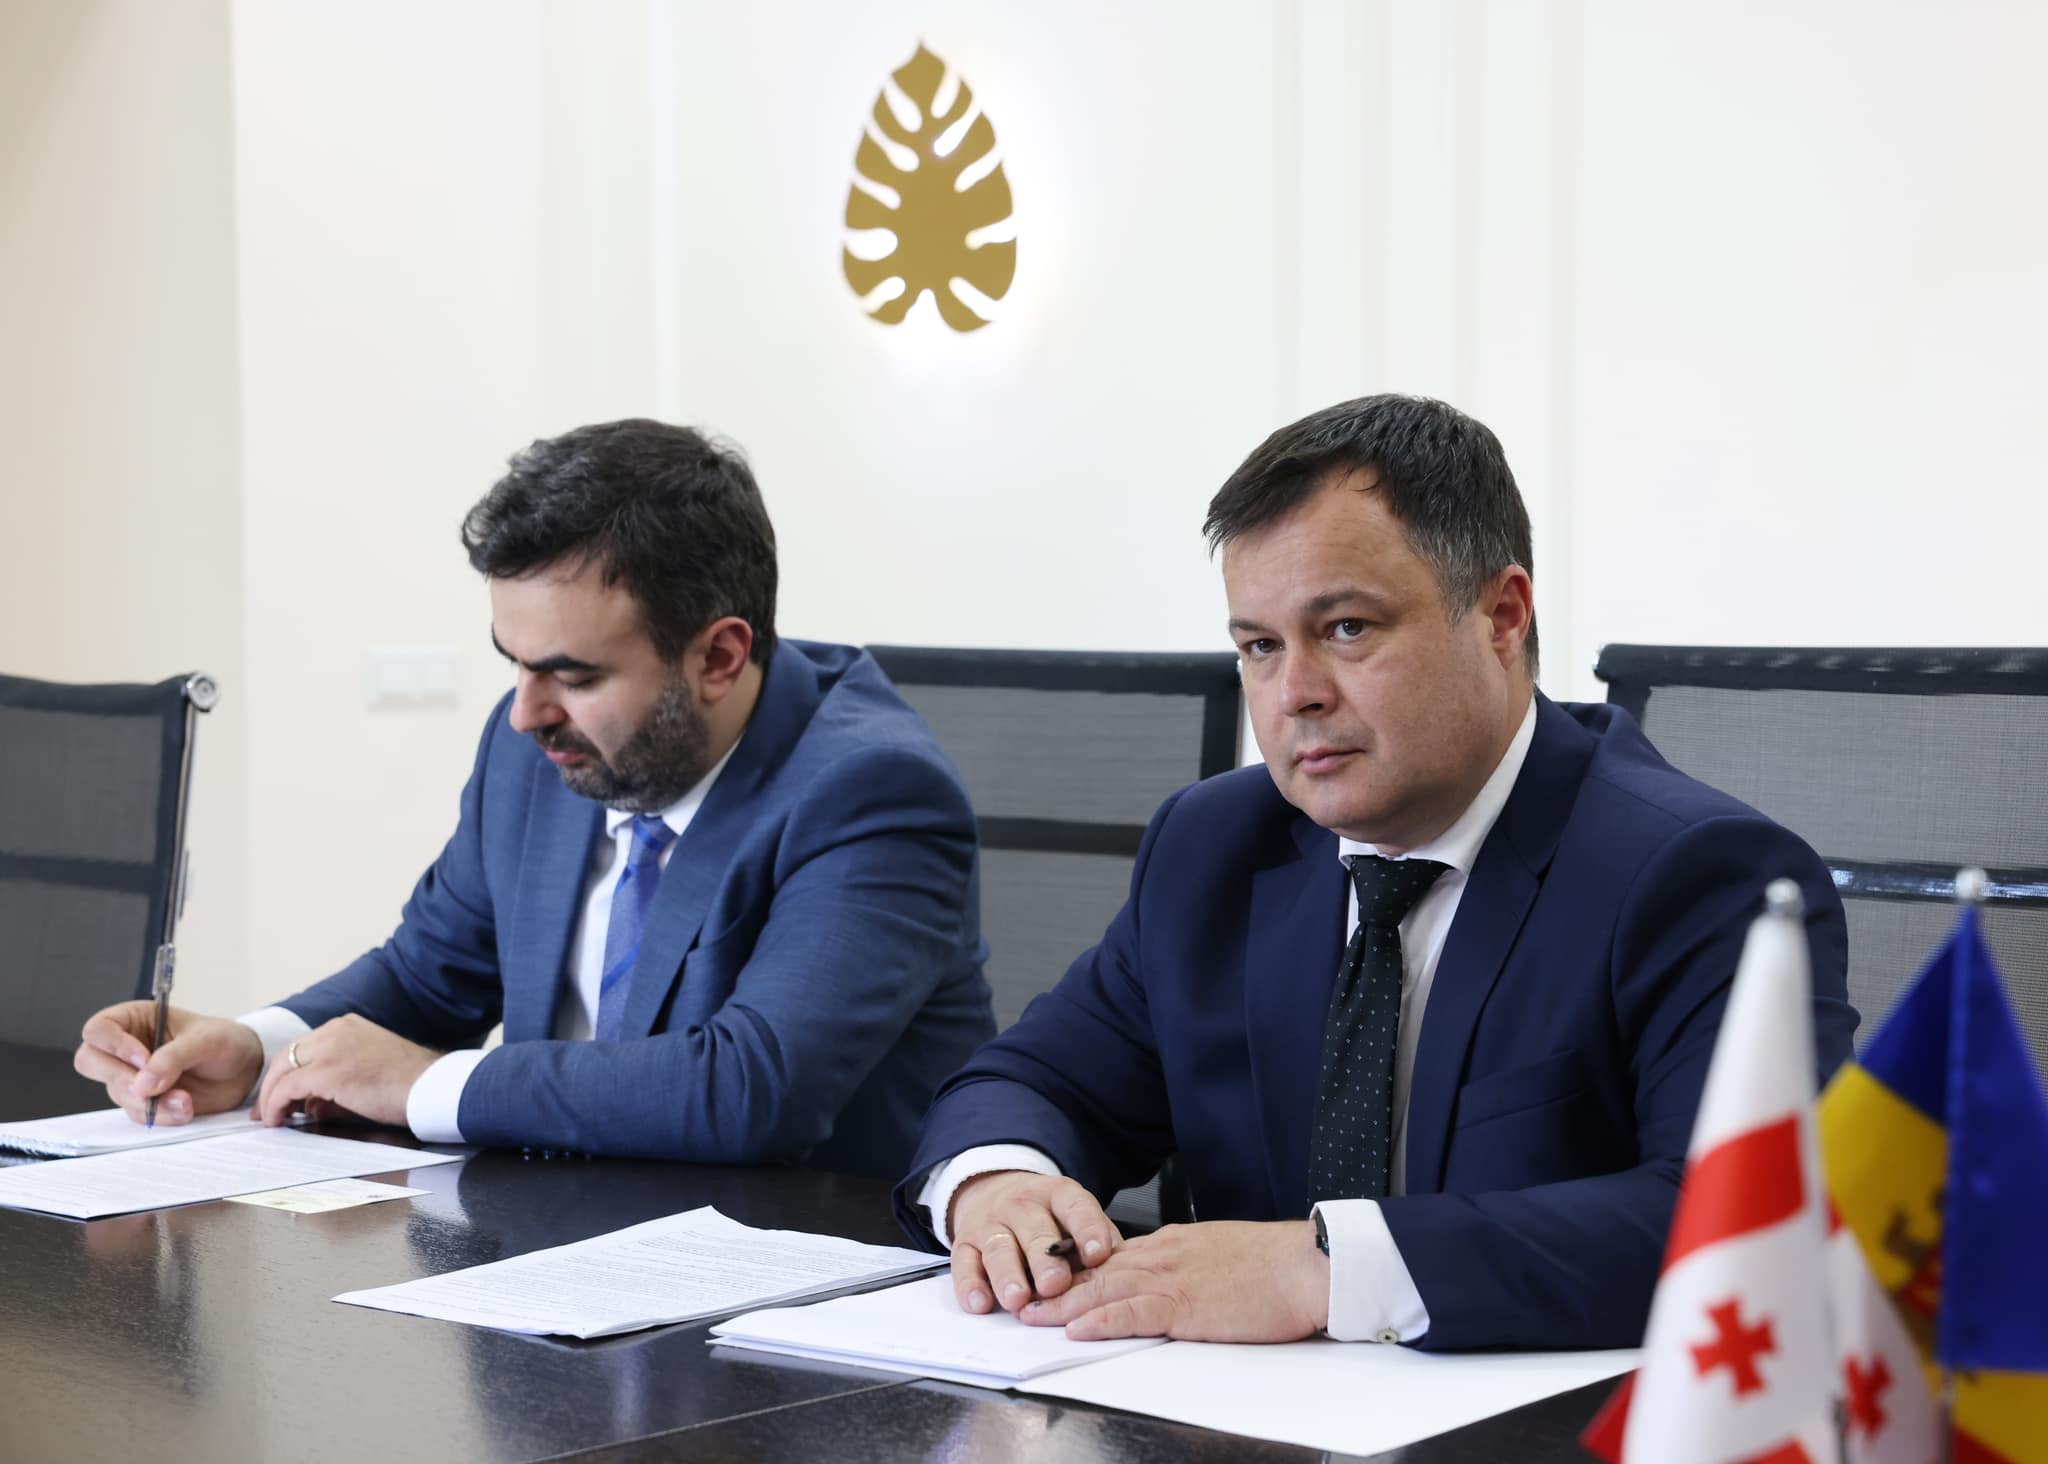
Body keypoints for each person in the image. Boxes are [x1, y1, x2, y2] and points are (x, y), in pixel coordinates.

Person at [898, 394, 1859, 1349]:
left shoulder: (1696, 874)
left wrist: (1323, 1270)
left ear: (1502, 616)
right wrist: (998, 1180)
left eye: (1348, 628)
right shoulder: (1213, 846)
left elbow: (1751, 1221)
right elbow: (1034, 1080)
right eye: (1260, 646)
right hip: (1227, 1410)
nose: (1295, 695)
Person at [75, 418, 995, 1180]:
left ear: (719, 656)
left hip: (802, 1278)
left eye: (574, 675)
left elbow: (752, 1089)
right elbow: (428, 976)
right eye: (513, 662)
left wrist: (427, 1086)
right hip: (553, 1247)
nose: (525, 713)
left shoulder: (871, 792)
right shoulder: (540, 750)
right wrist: (260, 1047)